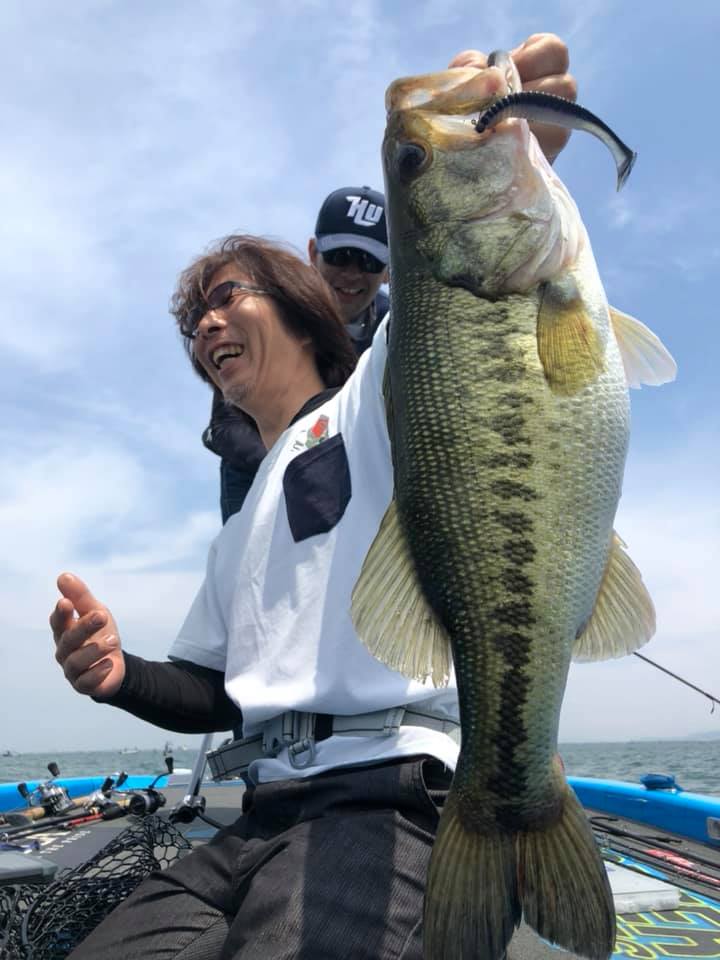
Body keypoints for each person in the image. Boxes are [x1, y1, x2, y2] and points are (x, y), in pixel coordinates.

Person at [50, 36, 576, 959]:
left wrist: (511, 157)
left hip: (389, 795)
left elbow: (460, 297)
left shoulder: (378, 395)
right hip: (258, 818)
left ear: (298, 301)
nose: (206, 324)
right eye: (193, 321)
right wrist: (118, 674)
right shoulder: (239, 524)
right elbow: (217, 691)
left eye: (226, 297)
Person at [204, 183, 390, 524]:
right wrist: (311, 461)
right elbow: (227, 426)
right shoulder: (266, 315)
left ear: (389, 270)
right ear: (313, 252)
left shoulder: (401, 328)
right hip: (259, 477)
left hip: (361, 481)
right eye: (339, 256)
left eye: (369, 261)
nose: (351, 273)